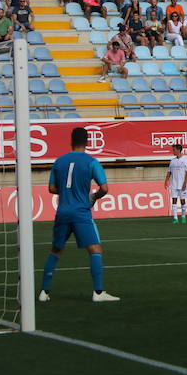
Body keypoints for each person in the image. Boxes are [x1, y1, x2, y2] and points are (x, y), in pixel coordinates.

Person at [38, 127, 118, 303]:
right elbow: (104, 188)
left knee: (56, 250)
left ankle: (44, 292)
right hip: (81, 212)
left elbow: (51, 188)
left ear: (71, 141)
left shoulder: (59, 161)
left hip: (63, 212)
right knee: (95, 250)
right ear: (88, 142)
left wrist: (68, 192)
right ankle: (98, 292)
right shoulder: (91, 162)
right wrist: (94, 196)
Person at [164, 144, 187, 224]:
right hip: (174, 184)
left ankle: (183, 216)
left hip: (182, 184)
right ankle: (175, 218)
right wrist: (166, 180)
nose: (173, 151)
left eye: (174, 150)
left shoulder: (185, 160)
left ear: (178, 150)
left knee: (182, 201)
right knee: (174, 200)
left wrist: (185, 183)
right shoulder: (172, 161)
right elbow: (169, 172)